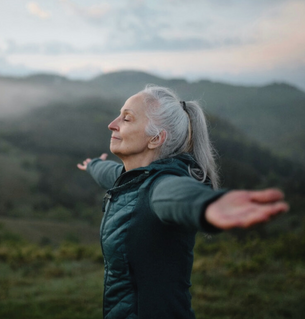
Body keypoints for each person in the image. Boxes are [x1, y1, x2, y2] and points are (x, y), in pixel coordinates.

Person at [77, 85, 289, 319]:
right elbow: (110, 172)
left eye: (126, 118)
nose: (112, 123)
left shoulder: (160, 185)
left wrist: (207, 204)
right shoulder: (131, 178)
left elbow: (177, 194)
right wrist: (93, 165)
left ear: (156, 138)